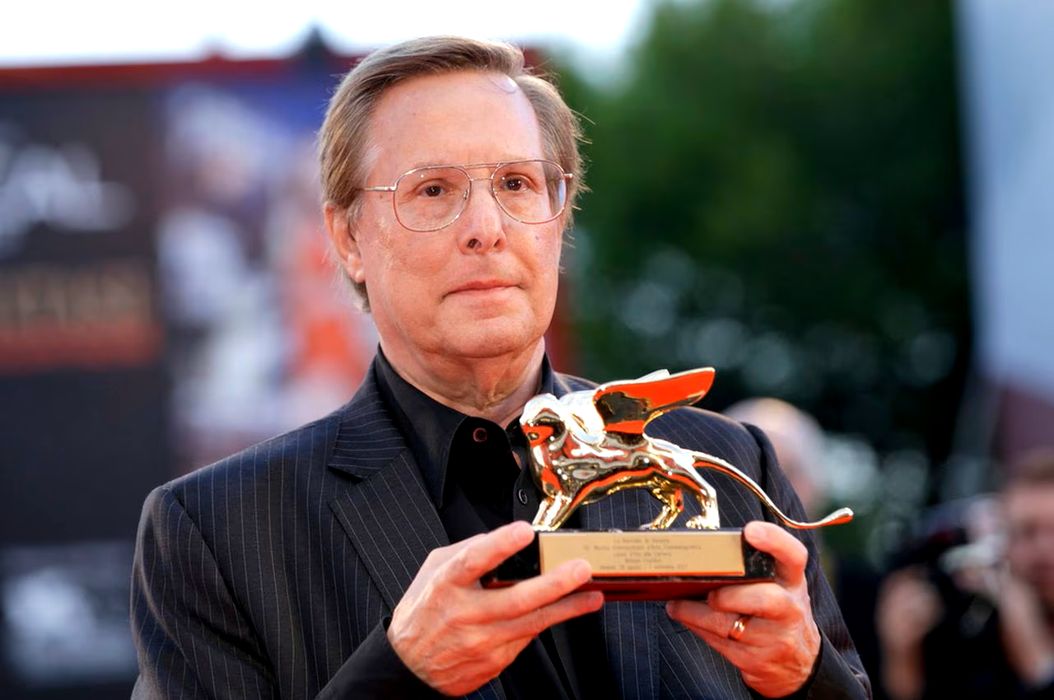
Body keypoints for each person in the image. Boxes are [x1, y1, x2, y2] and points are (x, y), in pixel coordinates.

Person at [130, 36, 870, 699]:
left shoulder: (731, 465)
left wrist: (808, 680)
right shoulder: (217, 534)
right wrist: (395, 675)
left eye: (516, 184)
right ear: (348, 237)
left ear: (560, 216)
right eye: (433, 191)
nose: (486, 229)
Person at [876, 449, 1054, 700]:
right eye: (1027, 532)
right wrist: (902, 660)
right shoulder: (974, 623)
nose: (1044, 550)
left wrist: (1039, 666)